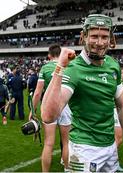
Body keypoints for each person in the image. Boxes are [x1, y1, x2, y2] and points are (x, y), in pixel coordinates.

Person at [41, 14, 123, 172]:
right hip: (83, 150)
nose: (99, 43)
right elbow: (47, 116)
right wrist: (59, 67)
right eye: (94, 36)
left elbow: (122, 107)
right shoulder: (73, 69)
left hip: (110, 147)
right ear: (83, 37)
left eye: (104, 37)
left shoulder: (113, 65)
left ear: (110, 39)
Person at [28, 44, 71, 172]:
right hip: (66, 106)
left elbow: (37, 93)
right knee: (66, 142)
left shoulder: (45, 67)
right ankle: (68, 169)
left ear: (49, 55)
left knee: (48, 143)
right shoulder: (69, 66)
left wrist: (32, 110)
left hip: (50, 105)